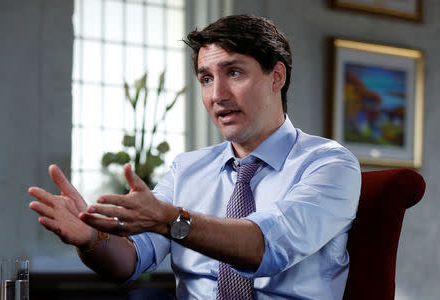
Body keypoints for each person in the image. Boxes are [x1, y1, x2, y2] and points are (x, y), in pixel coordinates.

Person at [28, 14, 361, 300]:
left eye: (234, 73)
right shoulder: (186, 169)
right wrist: (90, 240)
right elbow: (130, 260)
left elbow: (266, 246)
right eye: (206, 78)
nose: (217, 95)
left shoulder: (329, 164)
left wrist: (170, 221)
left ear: (276, 76)